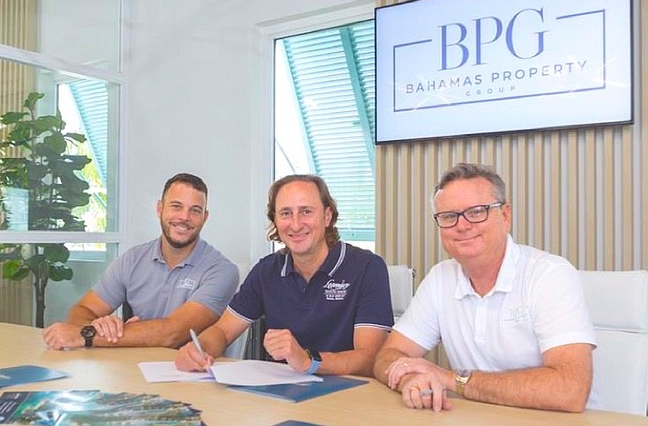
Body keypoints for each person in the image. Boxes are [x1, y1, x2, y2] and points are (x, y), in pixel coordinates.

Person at [374, 162, 601, 413]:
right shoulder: (440, 278)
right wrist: (409, 377)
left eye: (476, 212)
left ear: (505, 216)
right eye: (449, 216)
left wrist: (450, 379)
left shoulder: (548, 274)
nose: (462, 225)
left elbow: (570, 391)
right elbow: (389, 354)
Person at [175, 174, 393, 376]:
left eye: (306, 211)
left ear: (327, 216)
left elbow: (369, 358)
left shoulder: (367, 267)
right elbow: (223, 331)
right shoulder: (267, 270)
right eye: (286, 213)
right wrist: (199, 348)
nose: (296, 224)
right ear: (276, 222)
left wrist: (308, 361)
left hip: (348, 395)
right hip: (280, 396)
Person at [42, 173, 239, 350]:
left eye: (195, 210)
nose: (184, 217)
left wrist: (88, 336)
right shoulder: (132, 260)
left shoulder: (222, 271)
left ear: (204, 217)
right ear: (159, 208)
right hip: (133, 369)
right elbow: (83, 310)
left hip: (191, 376)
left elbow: (173, 334)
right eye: (176, 206)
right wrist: (102, 326)